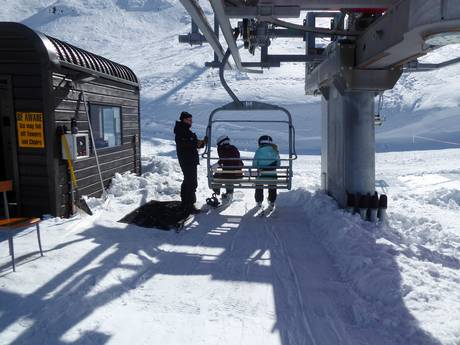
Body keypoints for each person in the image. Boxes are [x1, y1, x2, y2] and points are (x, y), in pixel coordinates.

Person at [174, 111, 207, 214]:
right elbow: (187, 143)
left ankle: (186, 203)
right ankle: (189, 205)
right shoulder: (181, 130)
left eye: (191, 120)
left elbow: (192, 143)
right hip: (187, 160)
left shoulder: (185, 130)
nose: (191, 122)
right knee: (191, 182)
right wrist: (198, 142)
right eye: (189, 120)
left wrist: (202, 143)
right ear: (184, 120)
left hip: (189, 159)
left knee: (188, 181)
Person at [213, 135, 243, 201]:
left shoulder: (223, 149)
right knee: (228, 175)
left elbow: (225, 158)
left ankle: (217, 190)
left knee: (218, 175)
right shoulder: (233, 148)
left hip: (229, 174)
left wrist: (218, 164)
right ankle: (229, 193)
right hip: (238, 174)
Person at [252, 135, 280, 207]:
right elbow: (278, 164)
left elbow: (254, 164)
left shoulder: (258, 151)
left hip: (261, 175)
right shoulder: (275, 151)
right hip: (272, 175)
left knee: (259, 183)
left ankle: (259, 201)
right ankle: (272, 201)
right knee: (272, 184)